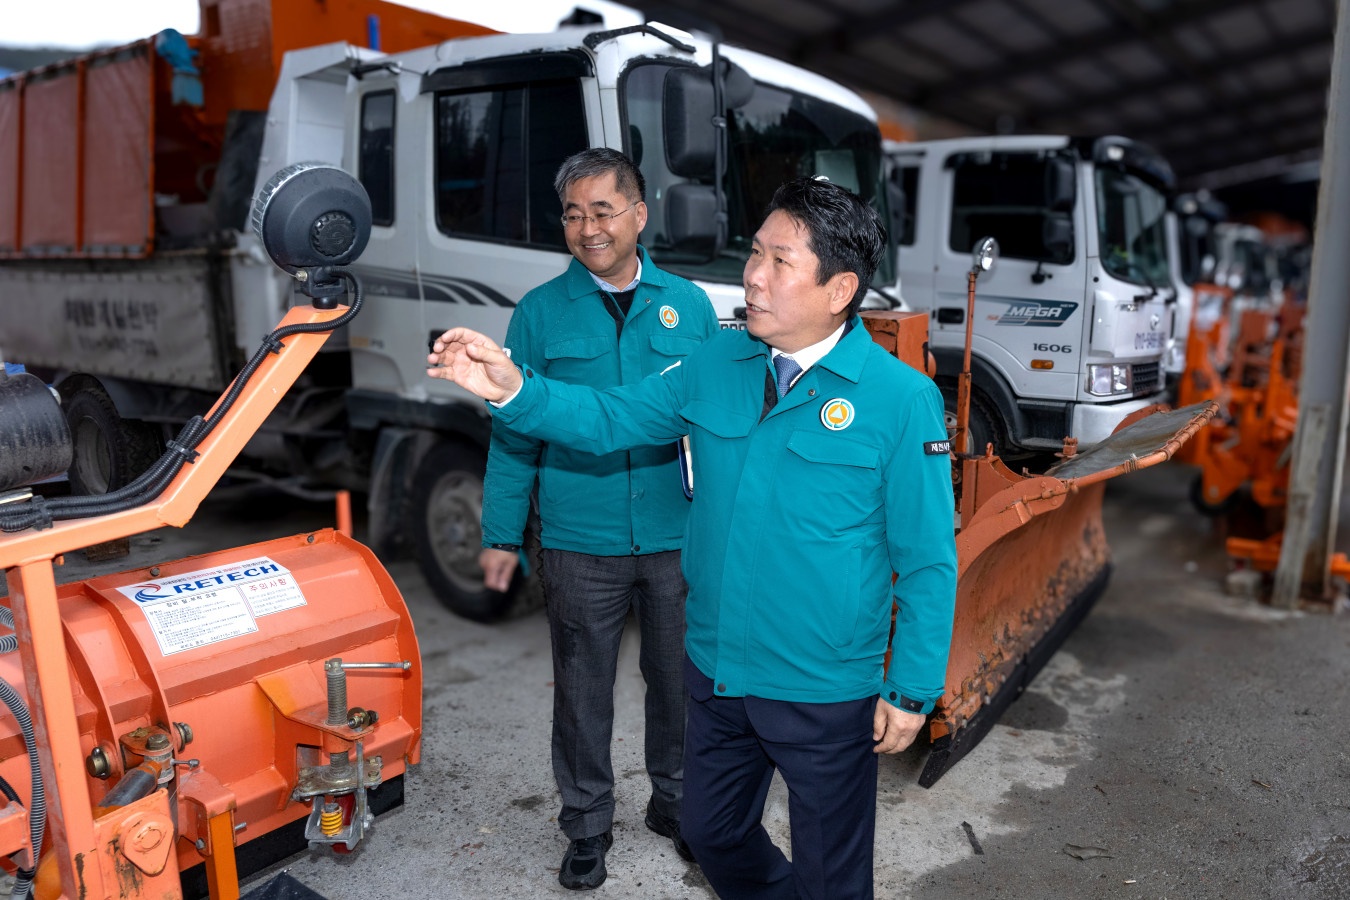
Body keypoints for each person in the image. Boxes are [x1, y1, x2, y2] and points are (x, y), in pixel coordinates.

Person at [430, 177, 957, 900]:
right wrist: (513, 389)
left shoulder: (899, 400)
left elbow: (928, 560)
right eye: (754, 254)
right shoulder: (719, 362)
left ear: (839, 290)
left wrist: (913, 688)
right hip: (717, 668)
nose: (753, 276)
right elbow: (611, 417)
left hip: (823, 684)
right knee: (711, 832)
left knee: (834, 874)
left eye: (779, 261)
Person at [476, 147, 717, 890]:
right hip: (580, 542)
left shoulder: (693, 307)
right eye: (573, 214)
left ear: (639, 215)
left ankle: (675, 804)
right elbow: (515, 432)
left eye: (603, 211)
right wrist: (500, 533)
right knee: (582, 692)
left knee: (679, 683)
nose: (587, 228)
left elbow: (719, 425)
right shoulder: (541, 313)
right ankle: (586, 825)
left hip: (678, 535)